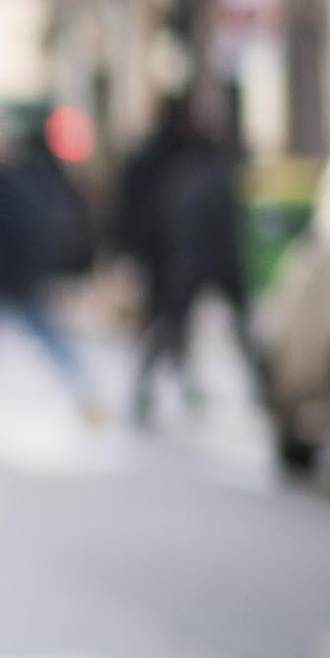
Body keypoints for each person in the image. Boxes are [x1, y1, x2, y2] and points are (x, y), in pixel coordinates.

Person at [0, 111, 107, 442]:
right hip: (9, 278)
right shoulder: (13, 177)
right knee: (37, 341)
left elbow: (13, 234)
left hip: (3, 278)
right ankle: (87, 400)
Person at [114, 94, 252, 425]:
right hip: (191, 257)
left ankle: (153, 391)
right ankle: (158, 390)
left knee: (171, 327)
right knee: (176, 327)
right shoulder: (194, 163)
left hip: (181, 258)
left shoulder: (170, 161)